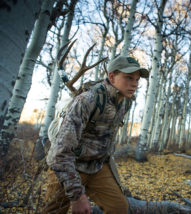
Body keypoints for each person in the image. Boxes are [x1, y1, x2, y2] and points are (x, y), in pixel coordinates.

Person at [42, 56, 149, 214]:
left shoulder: (126, 102)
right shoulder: (87, 100)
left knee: (119, 208)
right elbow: (60, 153)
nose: (134, 84)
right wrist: (77, 195)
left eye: (137, 79)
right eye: (128, 77)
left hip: (97, 167)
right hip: (69, 166)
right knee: (54, 211)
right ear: (112, 77)